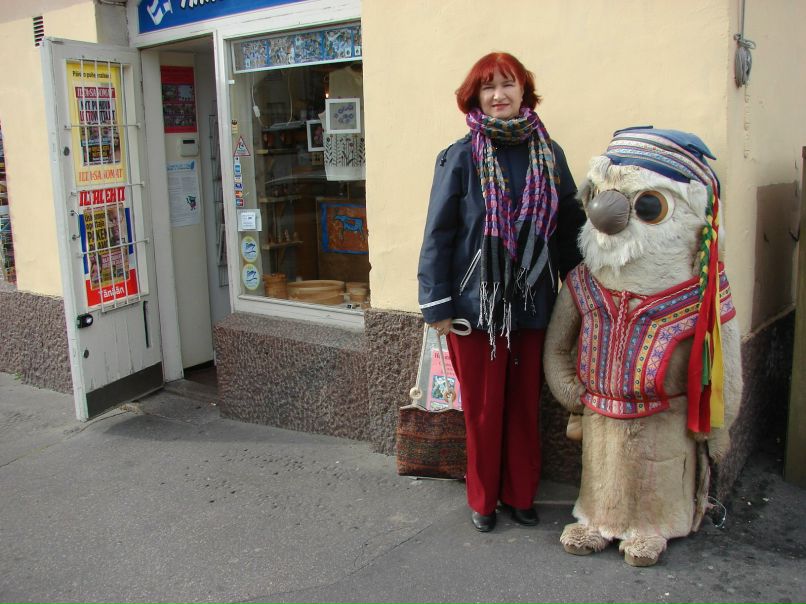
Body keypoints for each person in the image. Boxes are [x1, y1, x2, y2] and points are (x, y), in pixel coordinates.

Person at [417, 52, 586, 532]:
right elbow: (439, 235)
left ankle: (519, 494)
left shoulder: (550, 155)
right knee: (485, 409)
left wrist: (584, 292)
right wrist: (438, 305)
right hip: (476, 309)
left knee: (523, 407)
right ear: (475, 97)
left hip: (533, 305)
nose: (499, 95)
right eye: (488, 87)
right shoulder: (460, 157)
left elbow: (569, 226)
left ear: (523, 91)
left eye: (508, 84)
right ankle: (484, 500)